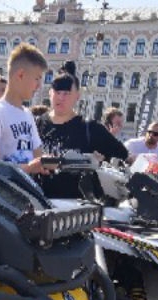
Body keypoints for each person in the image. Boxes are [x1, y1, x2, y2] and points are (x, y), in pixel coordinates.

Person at [35, 62, 128, 198]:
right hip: (40, 200)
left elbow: (122, 154)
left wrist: (99, 162)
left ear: (77, 96)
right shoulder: (37, 124)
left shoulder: (90, 128)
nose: (61, 98)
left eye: (67, 93)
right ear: (50, 93)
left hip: (76, 204)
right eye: (57, 92)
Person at [0, 43, 51, 175]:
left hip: (27, 185)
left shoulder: (27, 114)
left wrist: (49, 163)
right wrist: (28, 168)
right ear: (21, 75)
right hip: (6, 187)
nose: (39, 86)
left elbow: (37, 153)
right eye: (37, 79)